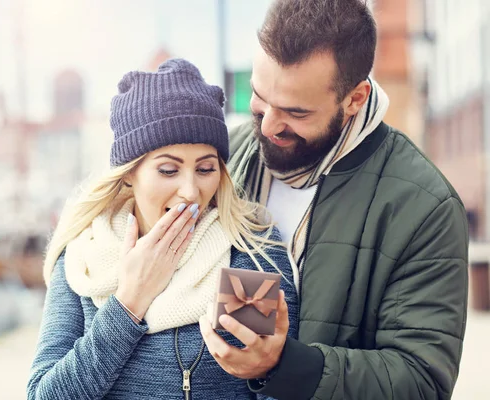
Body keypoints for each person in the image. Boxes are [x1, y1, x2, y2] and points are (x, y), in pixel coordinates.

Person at [198, 0, 469, 399]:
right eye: (259, 96)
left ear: (355, 99)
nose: (269, 125)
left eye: (296, 111)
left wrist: (285, 367)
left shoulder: (426, 207)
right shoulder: (222, 159)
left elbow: (421, 382)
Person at [26, 58, 299, 400]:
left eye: (205, 169)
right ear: (129, 173)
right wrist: (128, 303)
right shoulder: (85, 255)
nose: (190, 191)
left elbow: (272, 392)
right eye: (169, 170)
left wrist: (269, 372)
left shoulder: (245, 253)